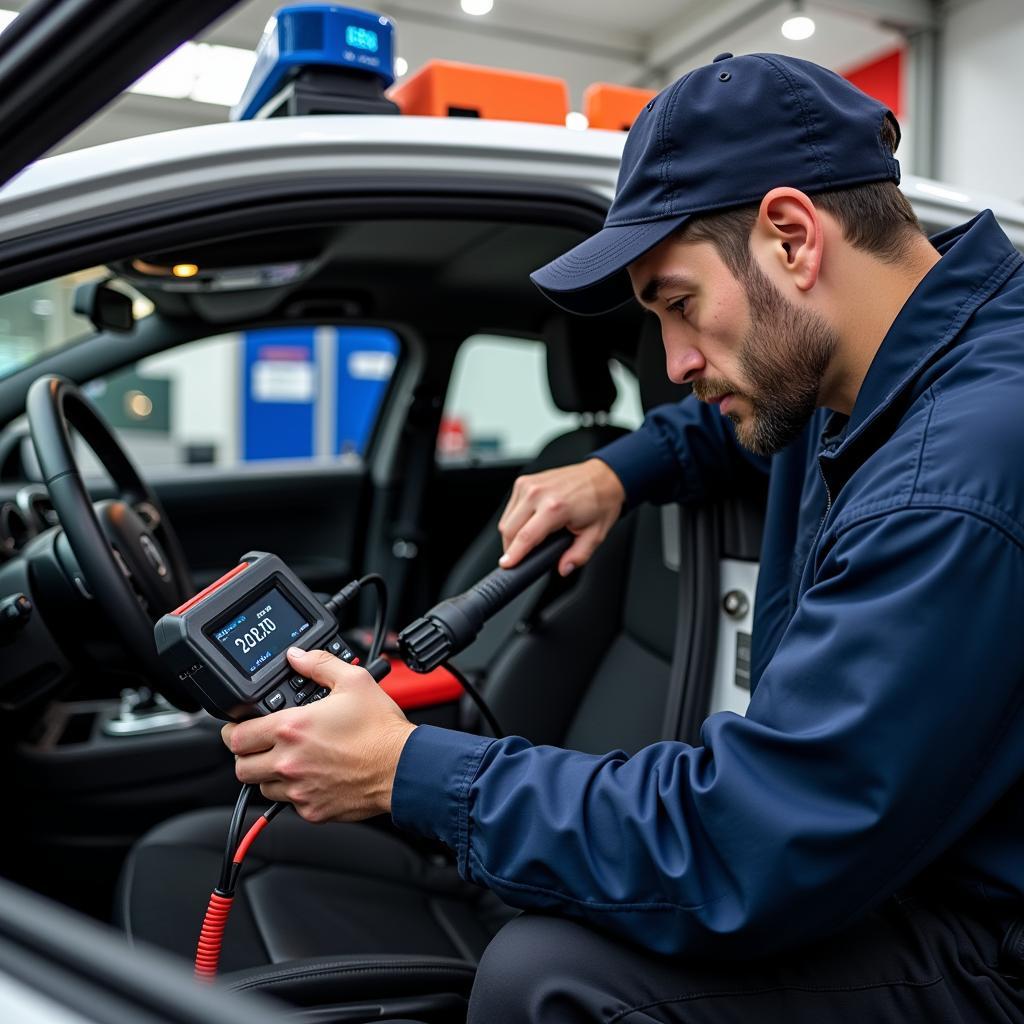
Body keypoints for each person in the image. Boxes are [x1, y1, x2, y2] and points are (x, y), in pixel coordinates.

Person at [223, 52, 1024, 1021]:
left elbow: (749, 844)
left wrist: (405, 771)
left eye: (679, 305)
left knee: (549, 977)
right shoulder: (866, 358)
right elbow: (739, 432)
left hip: (985, 942)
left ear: (789, 236)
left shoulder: (954, 477)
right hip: (897, 856)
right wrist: (616, 470)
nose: (678, 361)